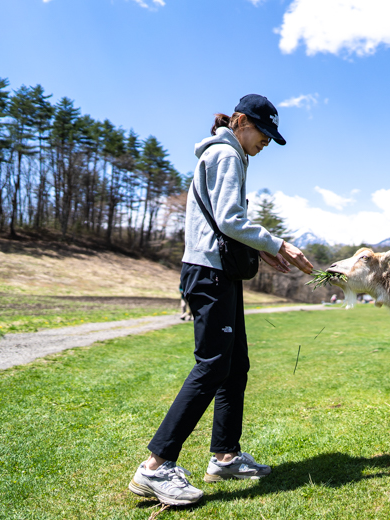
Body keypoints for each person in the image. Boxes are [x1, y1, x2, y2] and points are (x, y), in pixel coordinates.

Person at [129, 94, 313, 506]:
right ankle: (156, 467)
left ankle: (225, 456)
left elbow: (228, 222)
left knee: (235, 365)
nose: (266, 142)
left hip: (220, 272)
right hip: (209, 273)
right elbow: (230, 218)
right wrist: (280, 243)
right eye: (263, 132)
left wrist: (262, 249)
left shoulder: (232, 155)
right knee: (213, 366)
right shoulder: (226, 154)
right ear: (242, 121)